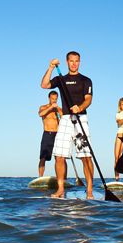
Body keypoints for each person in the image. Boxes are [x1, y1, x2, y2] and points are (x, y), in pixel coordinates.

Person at [40, 52, 94, 198]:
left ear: (80, 62)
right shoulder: (61, 79)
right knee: (59, 156)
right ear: (67, 62)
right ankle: (60, 190)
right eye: (71, 61)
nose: (74, 63)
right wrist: (51, 67)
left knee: (86, 156)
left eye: (77, 61)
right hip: (65, 119)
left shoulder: (86, 80)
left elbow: (88, 99)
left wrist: (80, 107)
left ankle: (89, 190)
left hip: (81, 118)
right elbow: (44, 85)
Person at [37, 91, 62, 177]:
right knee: (43, 157)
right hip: (47, 134)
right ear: (49, 98)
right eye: (52, 99)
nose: (54, 101)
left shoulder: (59, 109)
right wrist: (51, 107)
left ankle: (60, 178)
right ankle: (40, 177)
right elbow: (40, 114)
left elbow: (65, 119)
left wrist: (58, 110)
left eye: (55, 99)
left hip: (57, 135)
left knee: (58, 158)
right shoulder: (43, 107)